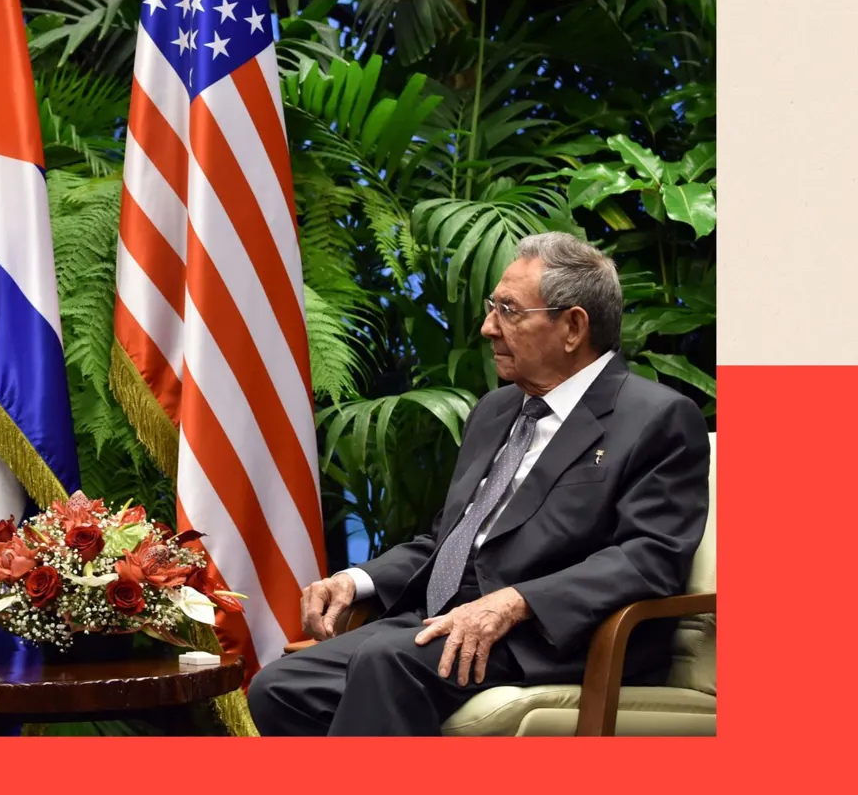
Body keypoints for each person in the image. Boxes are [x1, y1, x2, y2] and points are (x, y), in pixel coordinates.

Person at [248, 232, 711, 736]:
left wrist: (515, 601)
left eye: (509, 310)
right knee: (279, 686)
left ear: (573, 326)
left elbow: (650, 556)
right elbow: (449, 538)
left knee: (387, 660)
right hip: (446, 622)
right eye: (494, 307)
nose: (489, 327)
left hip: (551, 635)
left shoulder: (656, 417)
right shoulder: (496, 409)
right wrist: (356, 580)